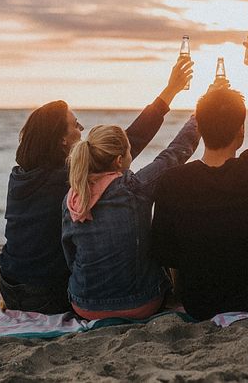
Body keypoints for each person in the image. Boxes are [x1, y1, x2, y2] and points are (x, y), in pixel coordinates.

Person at [0, 56, 193, 314]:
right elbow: (127, 143)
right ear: (62, 142)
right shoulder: (68, 177)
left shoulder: (19, 176)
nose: (82, 129)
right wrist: (170, 93)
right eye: (75, 125)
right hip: (46, 296)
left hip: (9, 289)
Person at [150, 41, 248, 320]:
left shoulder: (172, 181)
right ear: (241, 131)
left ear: (199, 129)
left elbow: (166, 253)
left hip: (198, 303)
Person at [61, 114, 199, 320]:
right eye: (128, 152)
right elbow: (174, 155)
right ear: (118, 161)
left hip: (85, 305)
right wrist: (196, 120)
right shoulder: (136, 188)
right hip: (142, 303)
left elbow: (70, 254)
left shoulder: (73, 198)